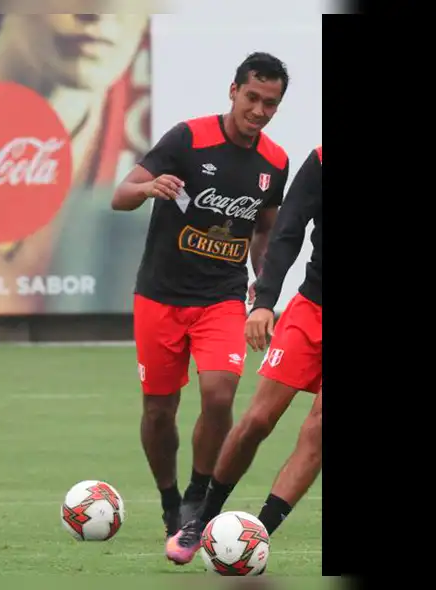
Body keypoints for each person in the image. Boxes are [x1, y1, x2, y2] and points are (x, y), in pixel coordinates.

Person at [111, 52, 291, 544]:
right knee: (158, 411)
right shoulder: (187, 138)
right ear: (233, 91)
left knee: (218, 394)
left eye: (270, 103)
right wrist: (149, 187)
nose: (259, 110)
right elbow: (120, 194)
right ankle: (170, 502)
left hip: (222, 298)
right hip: (160, 295)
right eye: (252, 97)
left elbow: (266, 232)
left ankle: (196, 496)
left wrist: (264, 291)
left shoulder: (275, 161)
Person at [165, 145, 322, 566]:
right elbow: (287, 229)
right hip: (311, 310)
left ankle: (254, 536)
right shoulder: (322, 159)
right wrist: (266, 301)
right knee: (257, 420)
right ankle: (203, 519)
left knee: (318, 430)